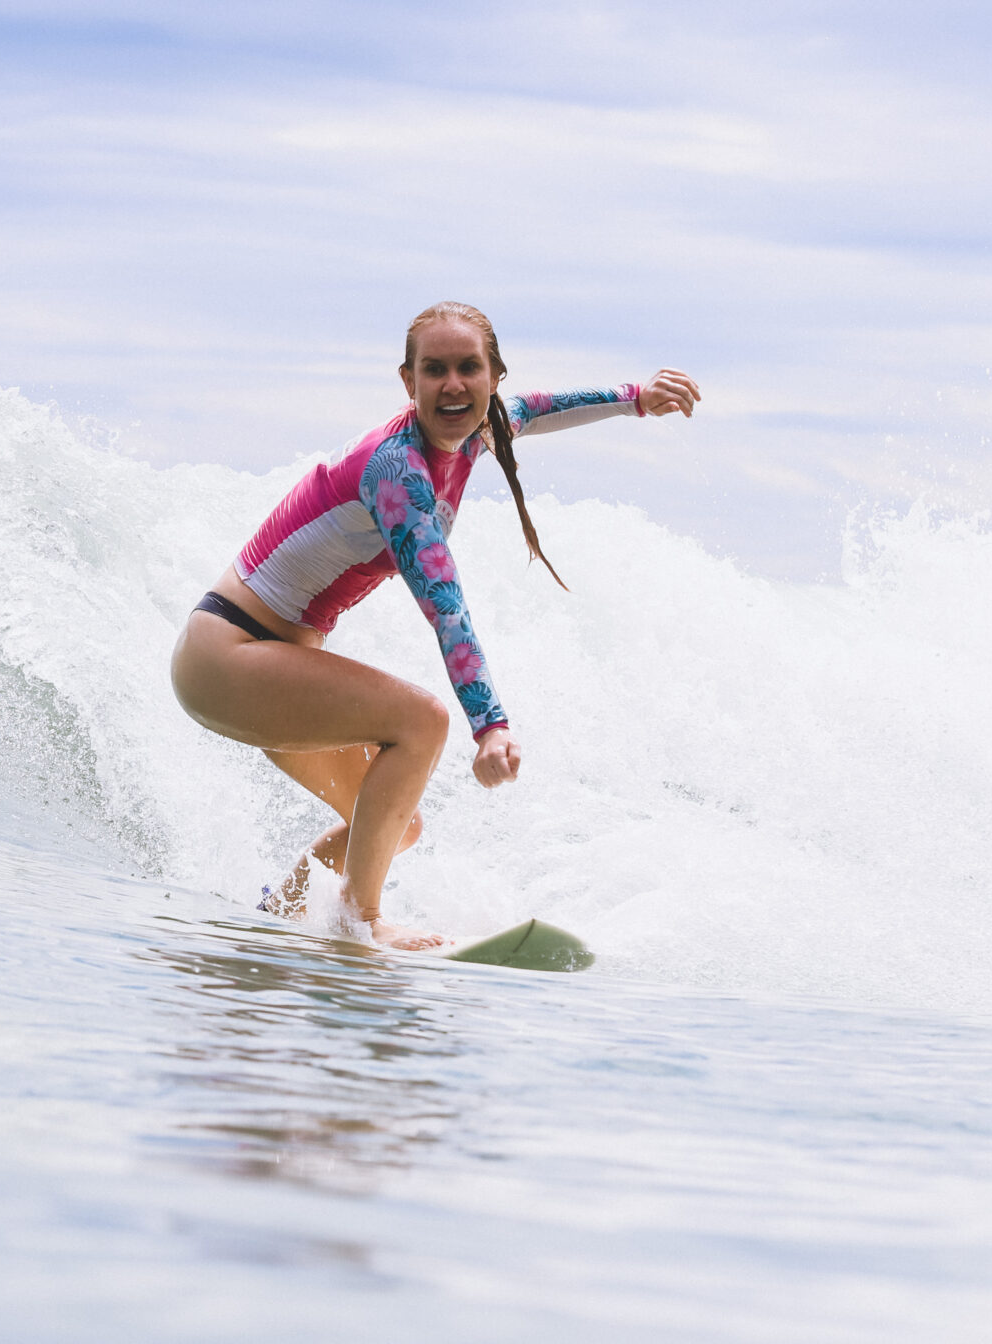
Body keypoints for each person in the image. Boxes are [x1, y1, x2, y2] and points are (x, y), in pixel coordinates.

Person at [169, 302, 702, 949]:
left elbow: (543, 408)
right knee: (422, 722)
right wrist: (491, 726)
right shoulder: (396, 471)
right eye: (435, 369)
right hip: (230, 653)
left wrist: (636, 399)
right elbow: (446, 606)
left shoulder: (481, 428)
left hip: (263, 663)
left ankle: (280, 913)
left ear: (492, 378)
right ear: (409, 381)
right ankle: (360, 921)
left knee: (395, 824)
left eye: (468, 367)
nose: (453, 384)